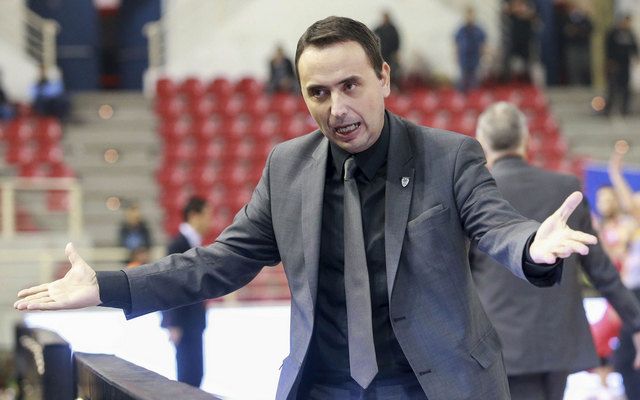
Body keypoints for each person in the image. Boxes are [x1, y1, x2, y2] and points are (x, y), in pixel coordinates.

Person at [16, 16, 602, 400]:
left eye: (350, 85)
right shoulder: (287, 168)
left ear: (384, 78)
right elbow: (218, 262)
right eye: (317, 93)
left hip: (436, 385)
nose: (336, 108)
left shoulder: (449, 156)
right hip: (324, 387)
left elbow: (494, 223)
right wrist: (108, 287)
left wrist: (532, 245)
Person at [469, 101, 640, 400]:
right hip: (559, 343)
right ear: (526, 140)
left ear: (482, 143)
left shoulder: (474, 194)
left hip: (502, 345)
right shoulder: (565, 188)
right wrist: (637, 323)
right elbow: (601, 269)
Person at [161, 197, 212, 388]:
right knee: (188, 375)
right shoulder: (177, 245)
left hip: (193, 321)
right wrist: (173, 323)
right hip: (183, 323)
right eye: (207, 215)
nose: (210, 221)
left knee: (195, 373)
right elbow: (169, 285)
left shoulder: (192, 243)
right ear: (194, 215)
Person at [603, 14, 638, 117]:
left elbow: (634, 47)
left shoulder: (630, 33)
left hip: (625, 64)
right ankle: (609, 108)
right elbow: (608, 48)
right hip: (615, 63)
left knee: (625, 86)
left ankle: (625, 108)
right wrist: (609, 61)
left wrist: (636, 57)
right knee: (613, 87)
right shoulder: (613, 33)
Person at [454, 6, 487, 92]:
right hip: (464, 58)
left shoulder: (479, 30)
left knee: (474, 80)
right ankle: (462, 95)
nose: (470, 17)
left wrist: (484, 56)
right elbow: (456, 44)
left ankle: (474, 96)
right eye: (468, 15)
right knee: (463, 79)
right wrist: (456, 56)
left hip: (475, 58)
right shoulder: (461, 30)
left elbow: (483, 45)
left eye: (471, 15)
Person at [562, 2, 593, 86]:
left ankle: (585, 84)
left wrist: (577, 31)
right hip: (572, 47)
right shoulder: (566, 19)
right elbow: (566, 31)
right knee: (573, 67)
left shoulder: (585, 19)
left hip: (583, 46)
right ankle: (575, 84)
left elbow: (590, 29)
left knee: (584, 66)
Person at [373, 11, 401, 88]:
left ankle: (392, 86)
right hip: (381, 54)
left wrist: (397, 52)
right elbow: (372, 37)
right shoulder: (379, 29)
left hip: (391, 55)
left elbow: (397, 41)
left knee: (392, 71)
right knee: (381, 70)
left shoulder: (393, 29)